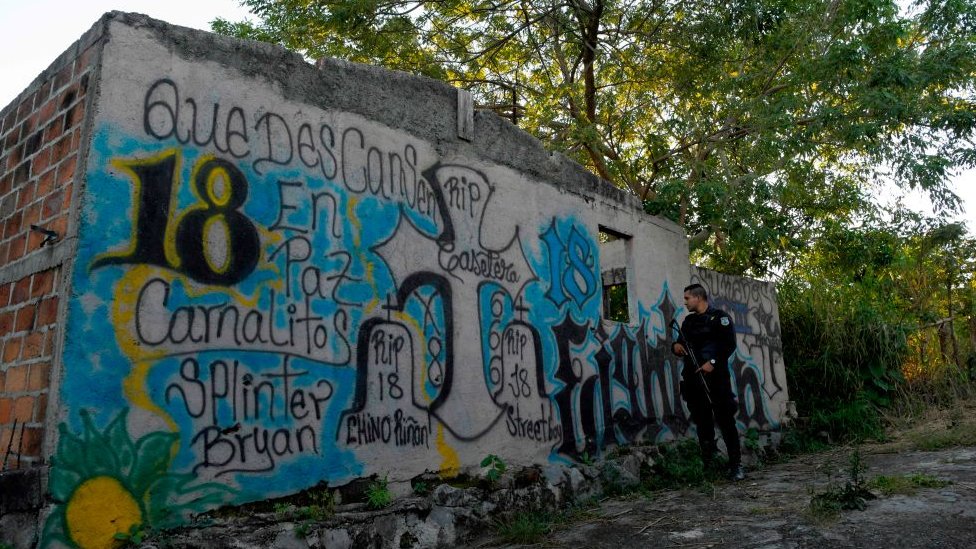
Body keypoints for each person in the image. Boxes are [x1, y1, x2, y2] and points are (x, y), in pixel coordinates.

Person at [672, 283, 745, 481]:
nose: (685, 302)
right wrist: (676, 346)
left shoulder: (720, 318)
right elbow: (680, 341)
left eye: (687, 298)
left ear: (698, 297)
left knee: (725, 420)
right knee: (703, 422)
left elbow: (728, 344)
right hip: (693, 378)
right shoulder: (688, 322)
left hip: (716, 378)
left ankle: (736, 465)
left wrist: (712, 362)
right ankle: (709, 466)